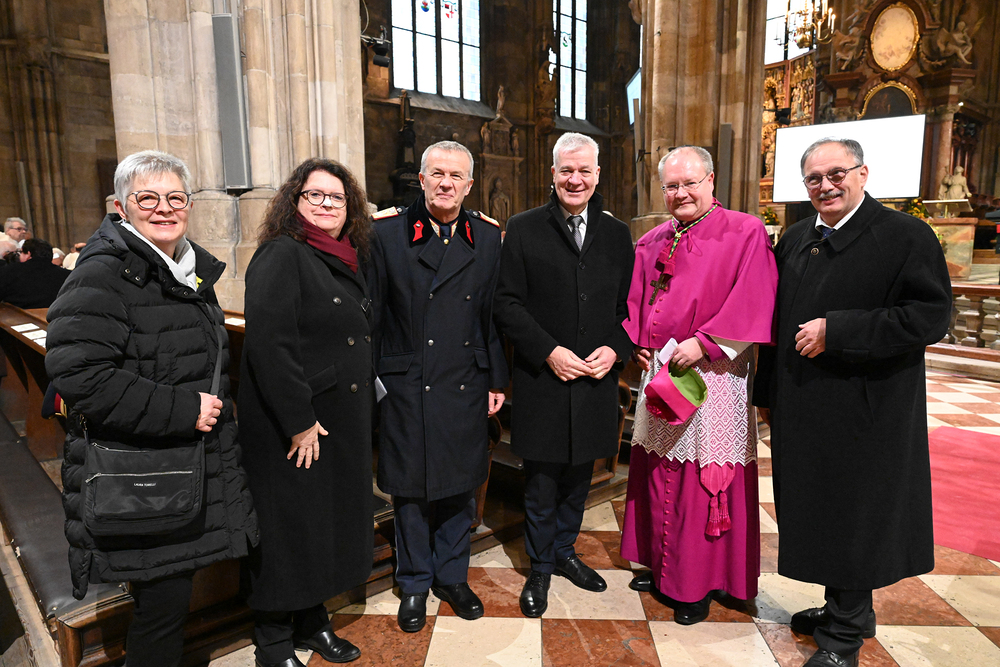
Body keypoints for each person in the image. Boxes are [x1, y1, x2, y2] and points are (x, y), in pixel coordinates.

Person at [44, 150, 258, 667]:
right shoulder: (103, 274)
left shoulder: (184, 268)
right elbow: (80, 376)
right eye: (147, 198)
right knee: (161, 608)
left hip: (182, 463)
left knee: (169, 601)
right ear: (120, 206)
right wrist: (184, 409)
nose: (164, 208)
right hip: (147, 469)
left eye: (175, 198)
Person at [754, 139, 952, 667]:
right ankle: (844, 608)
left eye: (836, 173)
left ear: (863, 173)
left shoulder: (904, 235)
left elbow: (930, 317)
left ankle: (844, 637)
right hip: (803, 405)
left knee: (854, 516)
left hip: (866, 409)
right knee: (819, 510)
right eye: (814, 178)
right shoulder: (796, 238)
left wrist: (838, 331)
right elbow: (774, 325)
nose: (826, 186)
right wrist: (766, 394)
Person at [620, 145, 778, 625]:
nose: (681, 193)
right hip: (662, 371)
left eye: (690, 183)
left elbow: (755, 297)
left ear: (711, 180)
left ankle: (697, 582)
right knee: (656, 466)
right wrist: (639, 343)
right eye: (671, 186)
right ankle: (660, 563)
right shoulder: (653, 239)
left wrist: (705, 343)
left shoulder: (744, 231)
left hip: (714, 375)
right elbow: (637, 300)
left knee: (704, 479)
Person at [239, 158, 375, 666]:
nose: (326, 205)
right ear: (294, 202)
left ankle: (313, 622)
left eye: (336, 197)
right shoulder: (282, 253)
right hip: (295, 423)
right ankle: (272, 642)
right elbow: (270, 346)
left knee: (319, 525)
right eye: (314, 195)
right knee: (286, 529)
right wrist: (298, 422)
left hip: (334, 420)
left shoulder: (342, 256)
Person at [367, 140, 507, 633]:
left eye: (456, 176)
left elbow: (491, 316)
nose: (446, 183)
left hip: (466, 377)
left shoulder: (486, 236)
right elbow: (373, 316)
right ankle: (413, 582)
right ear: (422, 179)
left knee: (461, 483)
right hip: (407, 381)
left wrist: (496, 377)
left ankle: (452, 576)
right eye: (438, 174)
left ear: (469, 185)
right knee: (411, 489)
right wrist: (375, 382)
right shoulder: (385, 233)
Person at [493, 132, 634, 617]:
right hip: (543, 379)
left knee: (580, 476)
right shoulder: (524, 227)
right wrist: (548, 351)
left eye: (585, 171)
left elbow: (627, 308)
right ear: (552, 173)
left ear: (598, 175)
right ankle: (539, 566)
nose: (576, 179)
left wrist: (615, 350)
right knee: (541, 480)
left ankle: (565, 551)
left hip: (595, 379)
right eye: (567, 170)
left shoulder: (617, 234)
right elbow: (506, 304)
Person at [0, 238, 70, 308]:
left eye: (21, 252)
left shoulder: (9, 271)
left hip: (18, 314)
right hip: (56, 313)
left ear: (28, 254)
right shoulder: (67, 275)